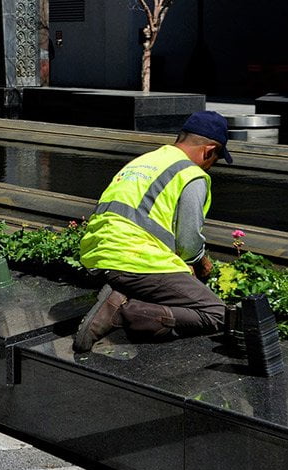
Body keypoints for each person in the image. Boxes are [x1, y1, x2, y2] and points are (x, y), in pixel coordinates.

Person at [73, 110, 232, 353]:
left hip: (100, 256)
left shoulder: (144, 161)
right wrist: (200, 262)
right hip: (137, 260)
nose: (211, 167)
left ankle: (121, 293)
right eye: (216, 160)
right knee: (218, 314)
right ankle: (123, 311)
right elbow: (188, 243)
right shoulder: (191, 174)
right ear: (209, 151)